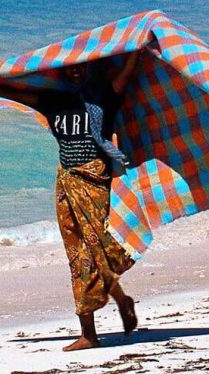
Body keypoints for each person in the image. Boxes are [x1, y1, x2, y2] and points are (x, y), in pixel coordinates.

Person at [0, 52, 140, 351]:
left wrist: (137, 48)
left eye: (81, 66)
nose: (76, 72)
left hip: (93, 180)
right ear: (61, 72)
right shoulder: (52, 100)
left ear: (89, 68)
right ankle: (90, 332)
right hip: (65, 181)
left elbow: (126, 75)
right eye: (71, 68)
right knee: (77, 255)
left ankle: (120, 301)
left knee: (98, 248)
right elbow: (12, 91)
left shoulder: (104, 98)